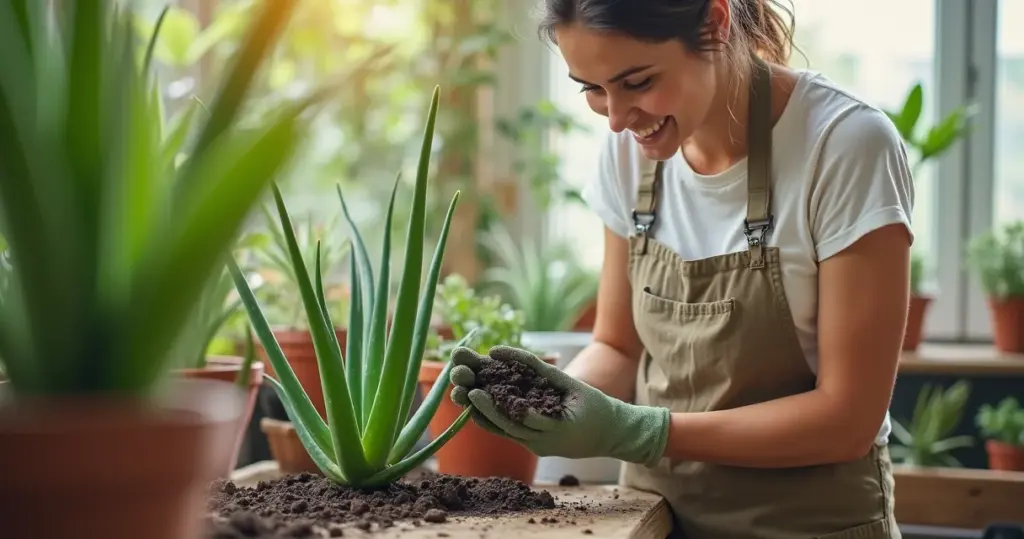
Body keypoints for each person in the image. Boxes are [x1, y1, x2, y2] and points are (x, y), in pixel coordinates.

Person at [448, 0, 913, 537]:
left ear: (715, 24)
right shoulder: (629, 154)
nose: (618, 120)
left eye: (638, 82)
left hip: (811, 525)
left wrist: (639, 430)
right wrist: (548, 402)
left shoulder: (843, 145)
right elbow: (618, 347)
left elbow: (847, 420)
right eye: (592, 89)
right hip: (652, 520)